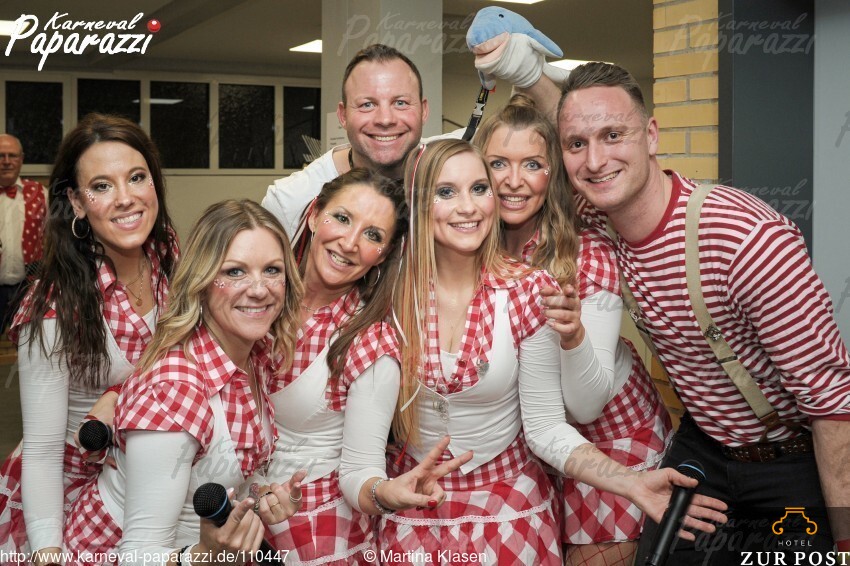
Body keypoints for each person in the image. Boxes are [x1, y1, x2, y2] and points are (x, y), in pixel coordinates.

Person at [378, 138, 725, 565]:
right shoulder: (387, 296)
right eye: (446, 191)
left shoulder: (529, 290)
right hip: (410, 506)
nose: (468, 207)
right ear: (417, 203)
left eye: (479, 189)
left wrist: (632, 483)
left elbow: (545, 426)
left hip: (511, 505)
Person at [556, 62, 850, 563]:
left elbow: (832, 404)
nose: (595, 160)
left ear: (651, 136)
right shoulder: (597, 217)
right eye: (577, 144)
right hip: (705, 448)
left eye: (613, 135)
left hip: (793, 457)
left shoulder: (745, 240)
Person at [474, 94, 673, 565]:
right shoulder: (475, 248)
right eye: (498, 163)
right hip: (536, 449)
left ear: (554, 174)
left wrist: (573, 335)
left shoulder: (585, 252)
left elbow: (586, 406)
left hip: (610, 442)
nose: (514, 181)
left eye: (532, 165)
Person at [63, 200, 305, 566]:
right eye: (235, 271)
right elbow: (136, 556)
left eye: (272, 270)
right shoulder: (176, 388)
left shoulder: (251, 355)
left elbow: (217, 467)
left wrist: (260, 494)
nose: (259, 289)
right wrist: (206, 555)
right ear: (201, 282)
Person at [257, 169, 470, 565]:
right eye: (341, 218)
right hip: (233, 518)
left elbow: (360, 470)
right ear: (314, 214)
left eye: (372, 235)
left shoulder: (371, 342)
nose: (350, 243)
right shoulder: (257, 295)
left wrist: (384, 492)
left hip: (314, 532)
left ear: (383, 255)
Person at [0, 115, 179, 565]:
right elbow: (42, 453)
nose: (126, 198)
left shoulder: (171, 260)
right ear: (77, 203)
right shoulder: (55, 305)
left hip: (160, 479)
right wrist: (48, 549)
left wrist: (120, 393)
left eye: (137, 177)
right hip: (73, 496)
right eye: (102, 186)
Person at [262, 33, 563, 239]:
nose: (385, 119)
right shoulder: (292, 200)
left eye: (400, 103)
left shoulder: (453, 160)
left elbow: (560, 135)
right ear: (342, 115)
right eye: (367, 105)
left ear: (423, 110)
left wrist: (528, 75)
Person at [0, 133, 47, 333]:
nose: (6, 161)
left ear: (21, 159)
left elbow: (55, 237)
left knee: (29, 341)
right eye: (1, 156)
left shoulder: (40, 193)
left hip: (29, 287)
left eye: (12, 155)